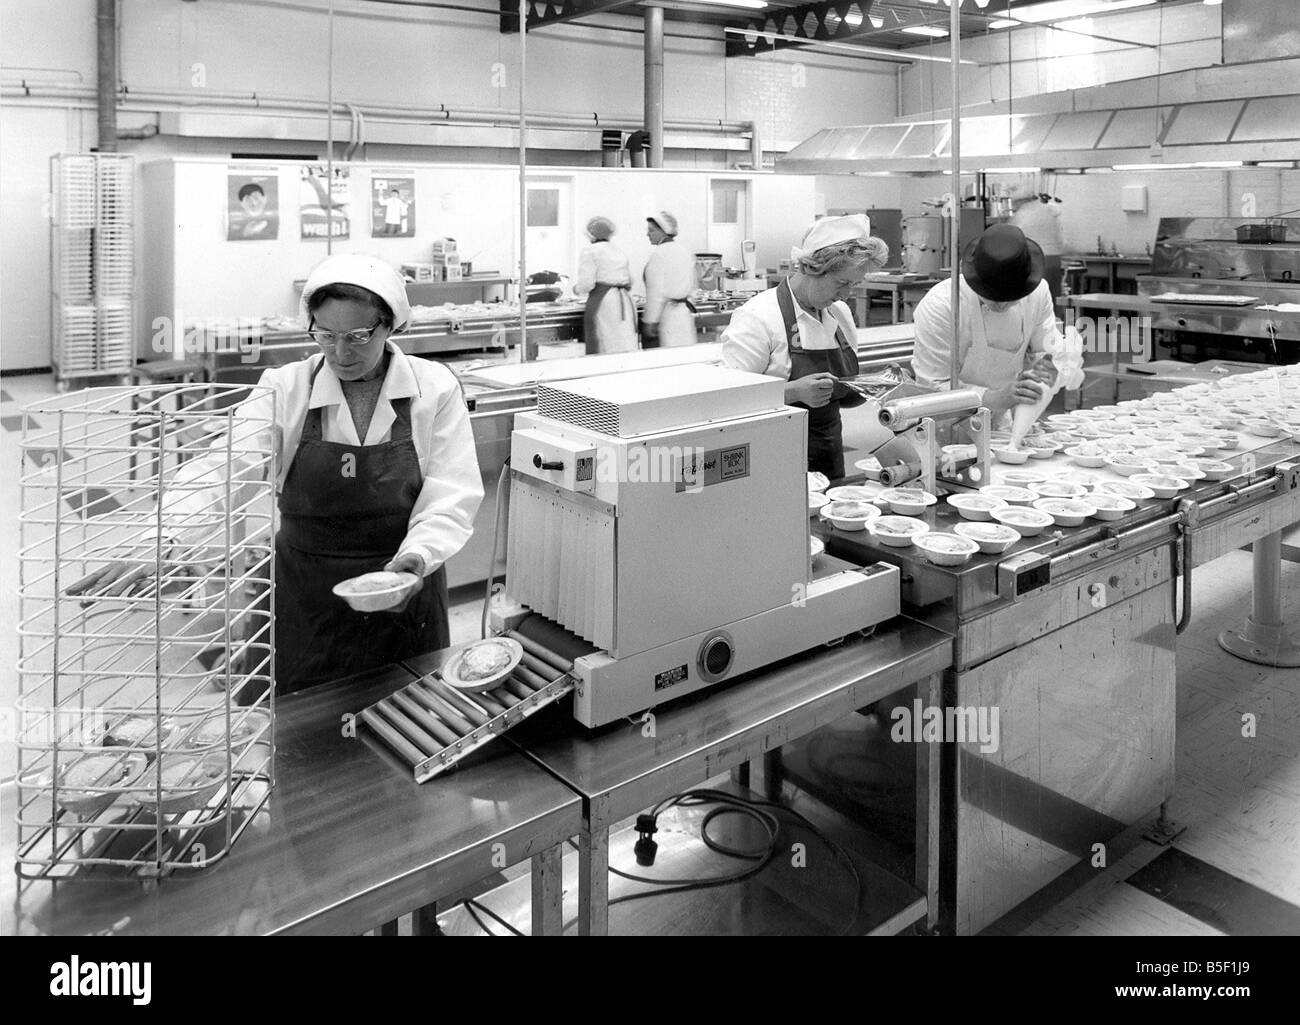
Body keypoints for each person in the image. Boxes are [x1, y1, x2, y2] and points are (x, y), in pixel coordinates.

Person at [69, 255, 484, 695]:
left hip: (403, 583)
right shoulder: (286, 387)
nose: (340, 353)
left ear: (389, 326)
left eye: (358, 336)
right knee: (303, 725)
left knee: (404, 709)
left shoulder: (433, 388)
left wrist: (417, 556)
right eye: (325, 335)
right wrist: (164, 536)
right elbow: (224, 466)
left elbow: (450, 491)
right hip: (307, 591)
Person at [721, 214, 890, 479]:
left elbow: (840, 396)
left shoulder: (840, 313)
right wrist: (792, 393)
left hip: (828, 453)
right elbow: (729, 400)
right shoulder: (757, 317)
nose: (846, 295)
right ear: (812, 268)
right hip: (772, 456)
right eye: (841, 283)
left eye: (854, 285)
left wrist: (871, 385)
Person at [911, 224, 1083, 429]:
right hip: (945, 428)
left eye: (1011, 298)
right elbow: (931, 386)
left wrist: (1050, 371)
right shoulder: (942, 305)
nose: (1002, 304)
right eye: (992, 297)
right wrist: (995, 398)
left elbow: (1044, 353)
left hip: (1002, 426)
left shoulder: (1037, 293)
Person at [572, 215, 636, 354]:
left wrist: (576, 289)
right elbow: (630, 281)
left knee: (605, 342)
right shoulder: (618, 251)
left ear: (591, 234)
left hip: (604, 302)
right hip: (624, 300)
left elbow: (586, 284)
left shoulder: (590, 250)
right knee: (624, 342)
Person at [642, 210, 697, 348]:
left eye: (652, 230)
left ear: (664, 231)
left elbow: (655, 292)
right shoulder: (684, 251)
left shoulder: (659, 254)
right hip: (684, 315)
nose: (647, 234)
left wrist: (650, 321)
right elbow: (693, 285)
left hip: (666, 316)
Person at [1009, 184, 1065, 304]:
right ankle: (1057, 321)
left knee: (1037, 301)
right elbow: (1061, 238)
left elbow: (1012, 241)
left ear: (1020, 201)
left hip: (1036, 262)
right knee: (1054, 297)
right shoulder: (1047, 210)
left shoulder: (1022, 215)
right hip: (1054, 261)